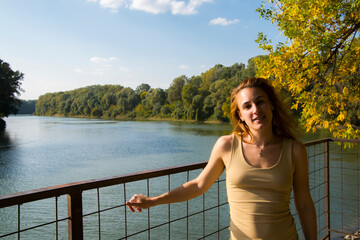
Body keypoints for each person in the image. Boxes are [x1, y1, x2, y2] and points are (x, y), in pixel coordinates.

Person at [126, 77, 318, 240]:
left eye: (260, 102)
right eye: (247, 106)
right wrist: (153, 200)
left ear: (272, 106)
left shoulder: (294, 150)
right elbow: (199, 185)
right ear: (240, 115)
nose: (256, 110)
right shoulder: (227, 145)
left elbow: (304, 204)